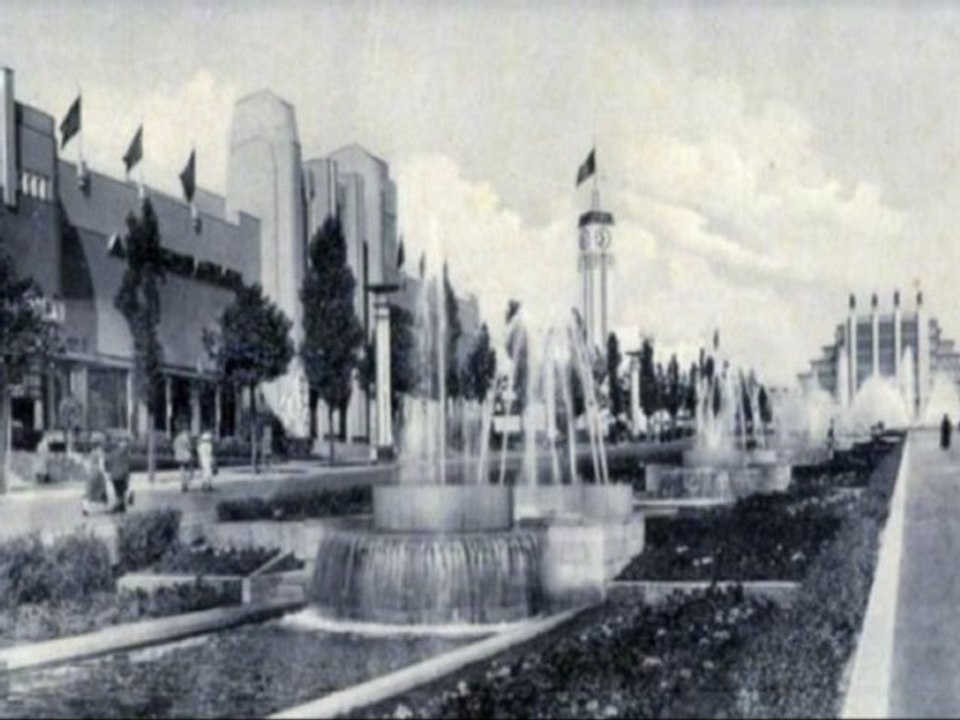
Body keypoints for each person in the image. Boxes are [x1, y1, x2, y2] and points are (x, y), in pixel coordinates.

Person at [103, 437, 134, 513]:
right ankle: (121, 506)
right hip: (120, 475)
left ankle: (120, 506)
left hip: (117, 475)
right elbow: (127, 463)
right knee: (120, 491)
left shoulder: (113, 453)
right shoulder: (121, 452)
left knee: (119, 491)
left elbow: (107, 464)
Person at [173, 424, 194, 492]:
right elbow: (189, 447)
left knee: (182, 470)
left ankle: (183, 484)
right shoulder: (186, 437)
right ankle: (187, 484)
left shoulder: (177, 438)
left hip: (179, 456)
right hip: (186, 455)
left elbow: (174, 446)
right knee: (191, 470)